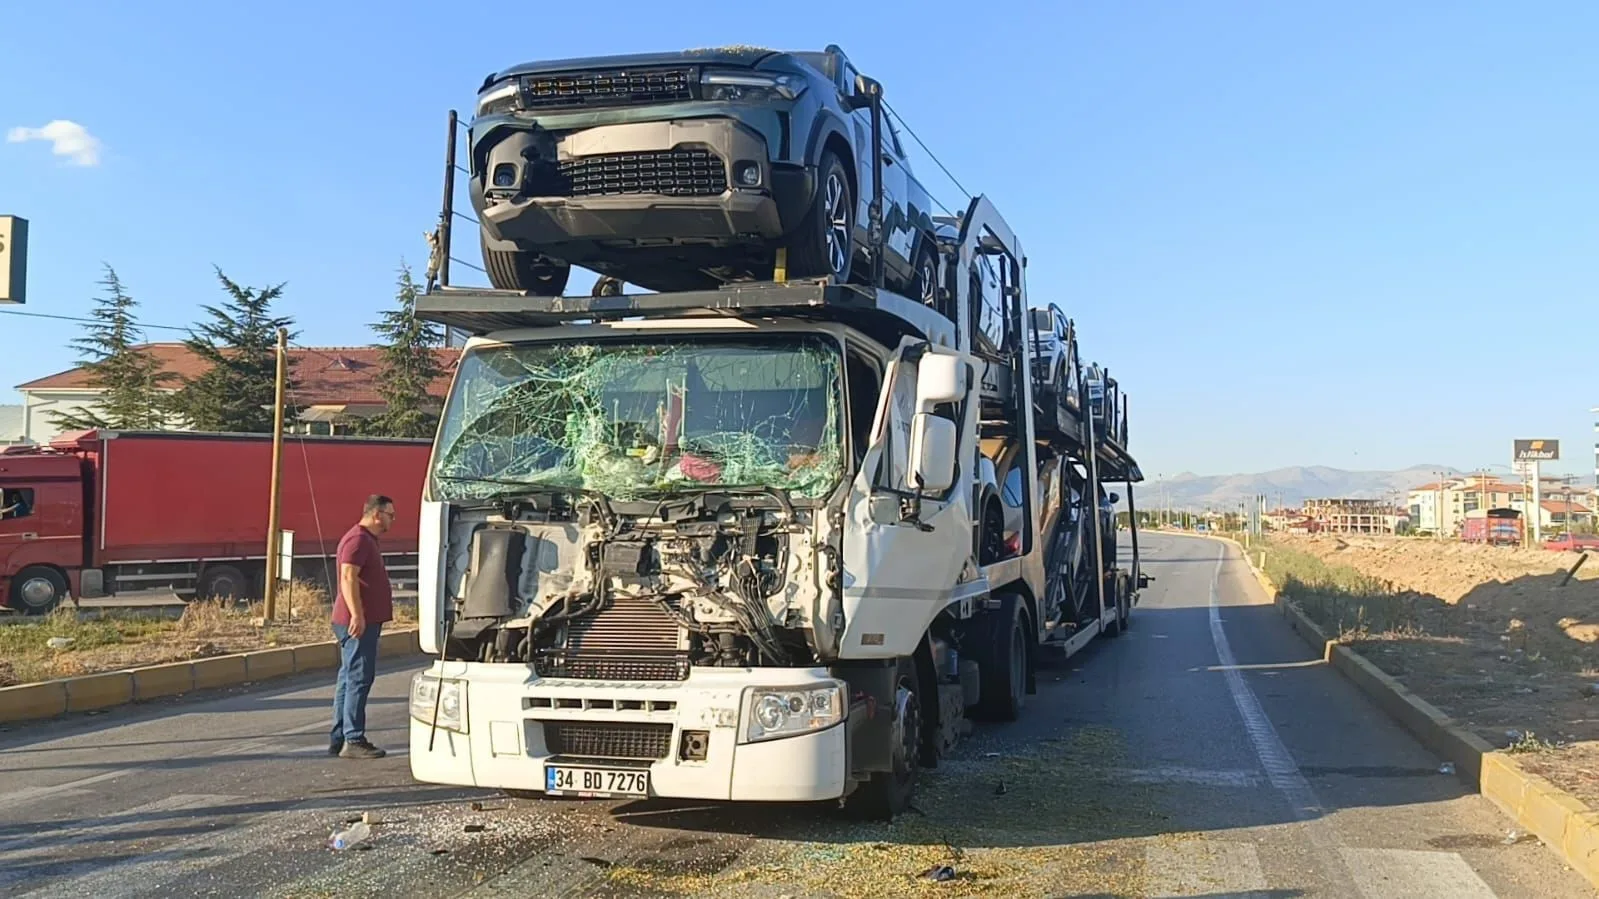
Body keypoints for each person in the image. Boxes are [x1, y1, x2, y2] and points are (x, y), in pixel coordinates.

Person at [329, 494, 396, 759]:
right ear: (377, 514)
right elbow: (348, 577)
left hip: (359, 622)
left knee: (348, 678)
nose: (393, 520)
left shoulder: (365, 540)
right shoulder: (358, 539)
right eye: (390, 515)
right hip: (357, 623)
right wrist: (357, 615)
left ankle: (340, 737)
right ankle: (353, 739)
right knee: (358, 678)